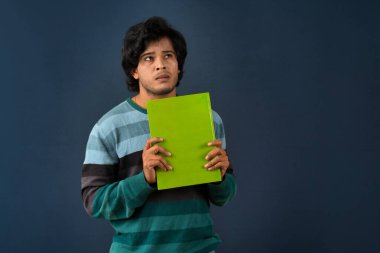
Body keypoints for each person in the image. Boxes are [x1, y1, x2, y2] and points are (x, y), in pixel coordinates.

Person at [81, 16, 237, 253]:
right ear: (134, 70)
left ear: (178, 65)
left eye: (168, 56)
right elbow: (94, 202)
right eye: (148, 58)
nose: (160, 65)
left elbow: (223, 197)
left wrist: (221, 177)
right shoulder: (109, 126)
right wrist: (143, 181)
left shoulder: (209, 119)